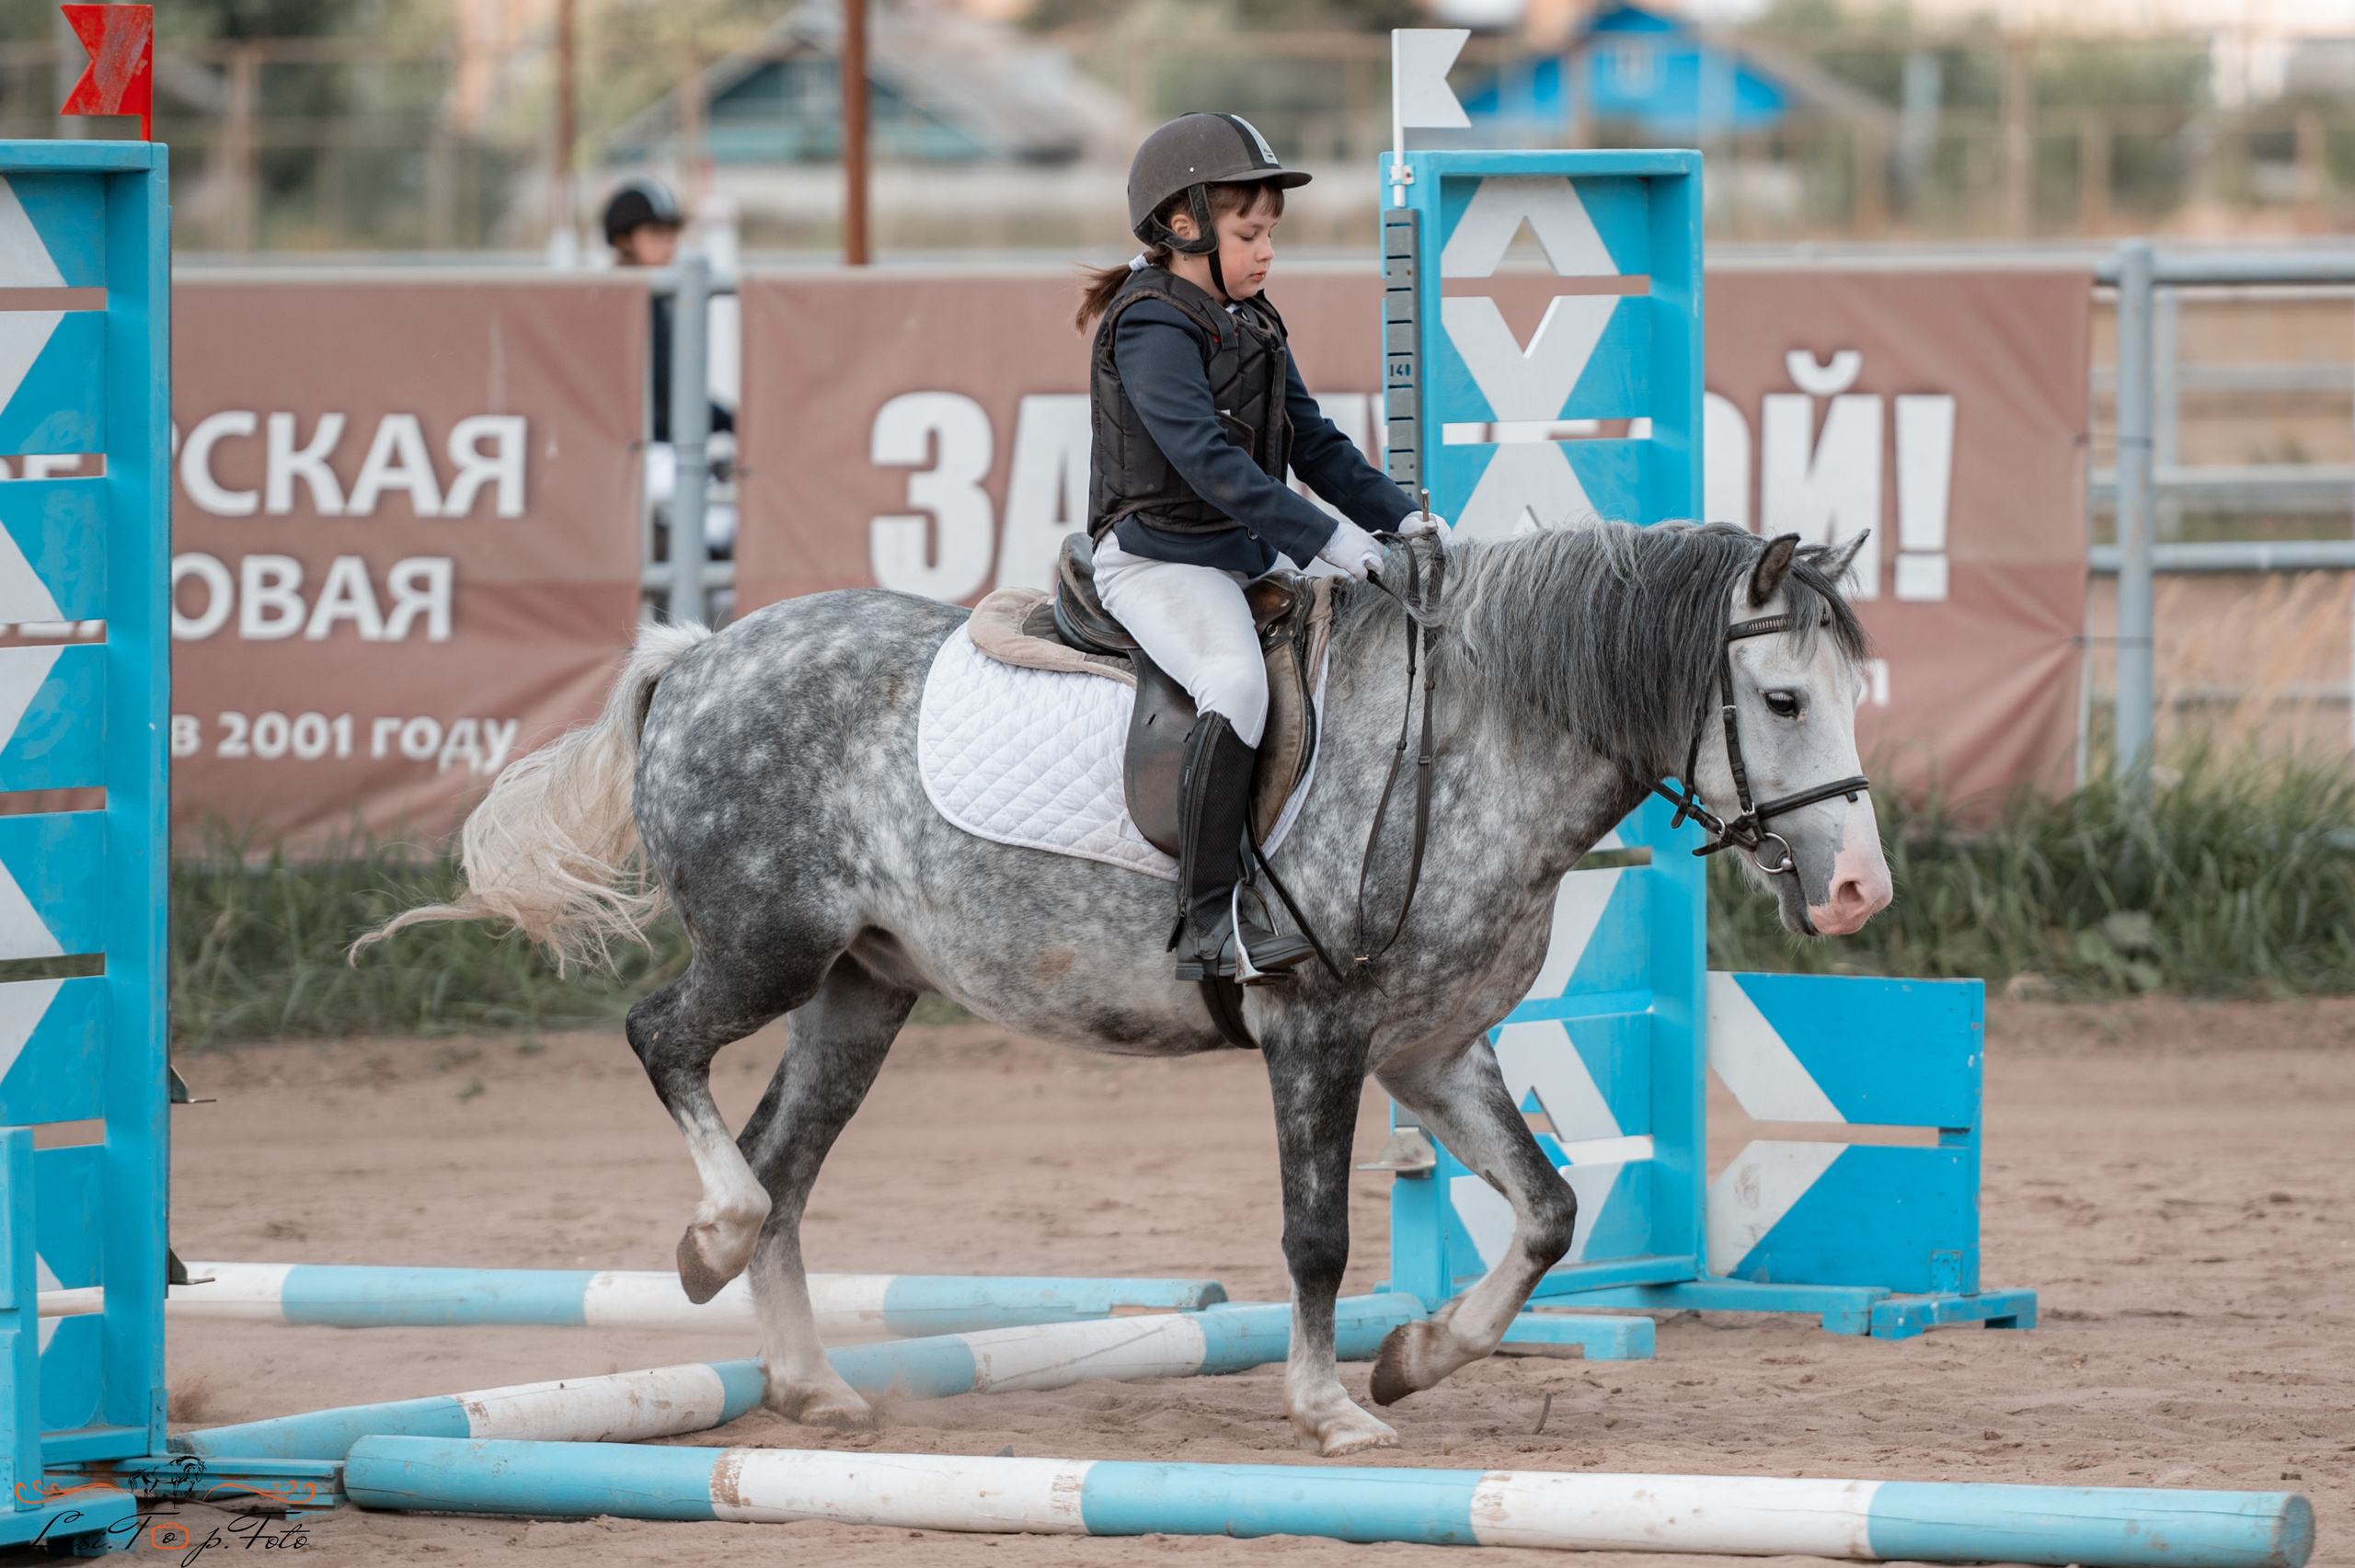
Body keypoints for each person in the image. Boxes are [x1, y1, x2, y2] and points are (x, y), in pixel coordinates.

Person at [1076, 112, 1446, 987]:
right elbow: (1207, 464)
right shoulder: (1148, 326)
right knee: (1236, 684)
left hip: (1236, 559)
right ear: (1183, 225)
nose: (1266, 251)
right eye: (1249, 233)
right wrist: (1339, 545)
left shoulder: (1252, 316)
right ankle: (1207, 919)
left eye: (1270, 234)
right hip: (1158, 561)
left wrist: (1404, 521)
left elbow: (1311, 441)